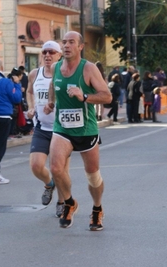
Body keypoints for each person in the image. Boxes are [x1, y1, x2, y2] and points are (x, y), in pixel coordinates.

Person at [44, 31, 112, 230]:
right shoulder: (56, 67)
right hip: (62, 128)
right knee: (56, 168)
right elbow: (52, 86)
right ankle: (69, 202)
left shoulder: (88, 69)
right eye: (64, 42)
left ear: (80, 46)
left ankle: (97, 208)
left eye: (71, 42)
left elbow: (107, 96)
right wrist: (50, 102)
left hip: (86, 129)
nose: (66, 45)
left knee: (93, 176)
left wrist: (84, 97)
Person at [26, 40, 65, 217]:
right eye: (44, 52)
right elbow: (29, 92)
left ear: (59, 55)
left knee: (60, 170)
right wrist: (31, 107)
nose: (47, 55)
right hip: (41, 127)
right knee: (36, 166)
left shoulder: (64, 74)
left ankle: (63, 202)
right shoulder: (35, 74)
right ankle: (49, 184)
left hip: (61, 129)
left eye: (51, 52)